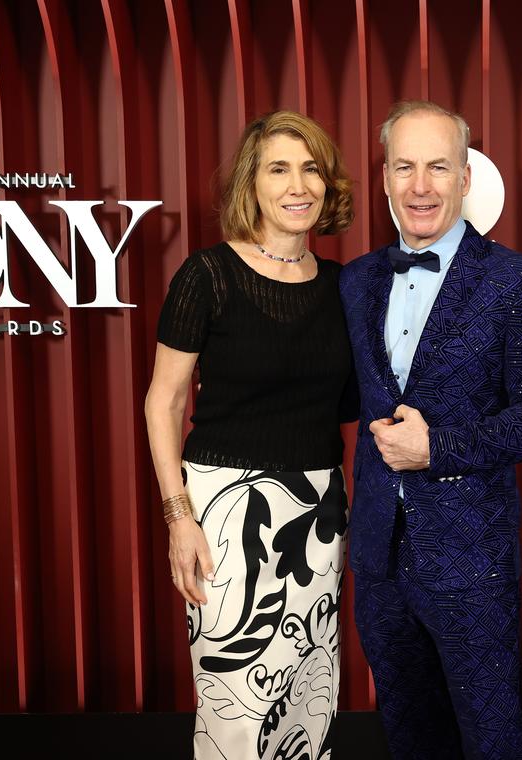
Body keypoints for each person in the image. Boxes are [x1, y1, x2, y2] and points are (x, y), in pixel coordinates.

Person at [339, 100, 522, 759]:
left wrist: (437, 447)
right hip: (379, 558)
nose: (420, 185)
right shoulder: (356, 283)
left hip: (472, 559)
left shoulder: (516, 281)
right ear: (384, 178)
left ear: (466, 178)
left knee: (493, 742)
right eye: (405, 167)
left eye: (438, 167)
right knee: (410, 739)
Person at [144, 110, 356, 760]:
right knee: (232, 701)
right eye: (279, 169)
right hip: (223, 514)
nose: (299, 185)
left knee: (307, 694)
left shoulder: (346, 287)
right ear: (252, 184)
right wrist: (178, 516)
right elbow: (163, 402)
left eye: (311, 167)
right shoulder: (206, 276)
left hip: (319, 510)